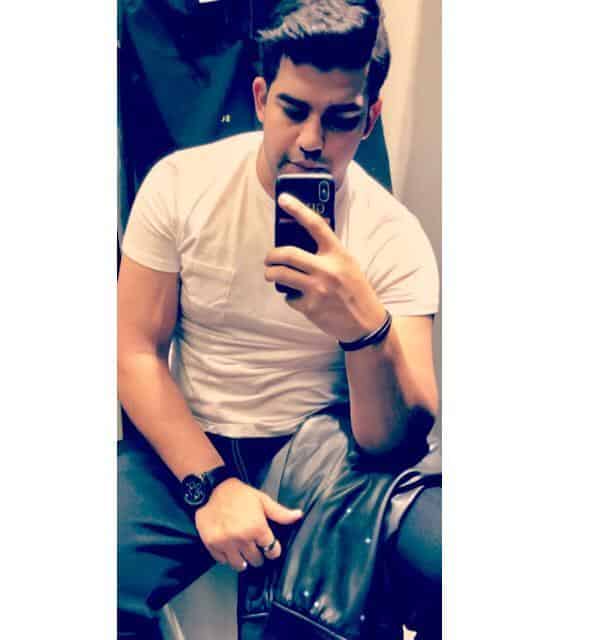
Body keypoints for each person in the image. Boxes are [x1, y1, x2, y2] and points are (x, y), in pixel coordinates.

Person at [118, 1, 441, 638]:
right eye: (294, 110)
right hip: (186, 447)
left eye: (340, 119)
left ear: (371, 118)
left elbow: (394, 440)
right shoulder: (180, 185)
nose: (312, 141)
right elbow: (133, 352)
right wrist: (210, 487)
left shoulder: (393, 236)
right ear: (262, 98)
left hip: (318, 450)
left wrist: (364, 329)